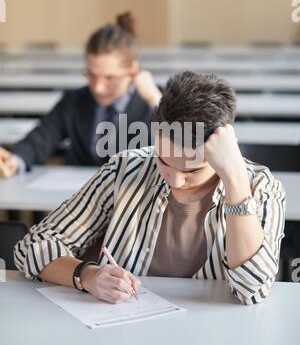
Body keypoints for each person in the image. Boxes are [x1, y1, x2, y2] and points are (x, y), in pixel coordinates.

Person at [14, 72, 285, 305]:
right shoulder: (125, 170)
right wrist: (87, 275)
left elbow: (252, 289)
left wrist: (235, 181)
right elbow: (32, 247)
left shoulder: (261, 188)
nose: (176, 181)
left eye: (193, 170)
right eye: (165, 161)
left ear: (226, 147)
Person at [0, 12, 161, 177]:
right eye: (91, 75)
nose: (98, 88)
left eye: (110, 77)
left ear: (133, 70)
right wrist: (14, 160)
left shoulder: (153, 103)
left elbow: (182, 151)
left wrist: (156, 100)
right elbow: (41, 138)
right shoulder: (74, 101)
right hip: (81, 198)